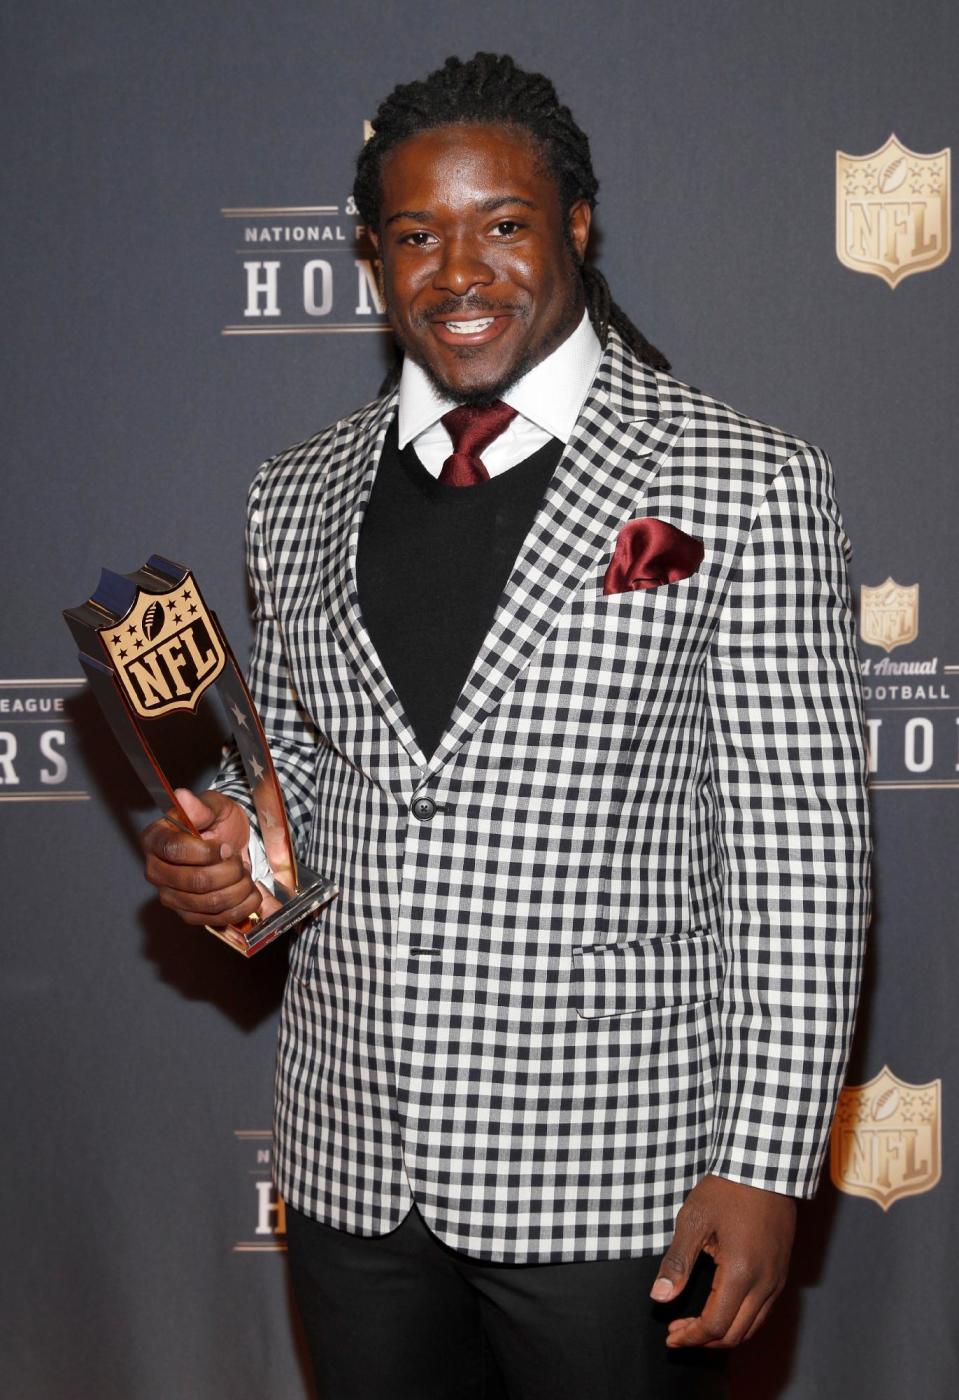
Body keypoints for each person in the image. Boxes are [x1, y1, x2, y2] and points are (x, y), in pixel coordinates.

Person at [142, 52, 871, 1400]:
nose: (456, 268)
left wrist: (767, 1163)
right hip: (353, 1161)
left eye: (503, 224)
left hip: (616, 1172)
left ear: (576, 227)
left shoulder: (743, 478)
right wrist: (231, 844)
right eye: (416, 233)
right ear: (372, 255)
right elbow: (300, 763)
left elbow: (801, 856)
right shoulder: (294, 491)